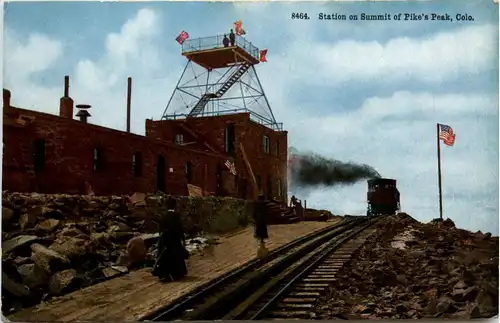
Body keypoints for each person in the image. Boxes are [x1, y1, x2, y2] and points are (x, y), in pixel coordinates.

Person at [152, 197, 189, 281]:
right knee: (177, 257)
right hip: (176, 241)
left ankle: (167, 274)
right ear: (175, 206)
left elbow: (160, 231)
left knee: (166, 257)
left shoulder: (164, 217)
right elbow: (181, 229)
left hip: (166, 242)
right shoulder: (177, 216)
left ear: (166, 206)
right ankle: (178, 273)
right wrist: (183, 240)